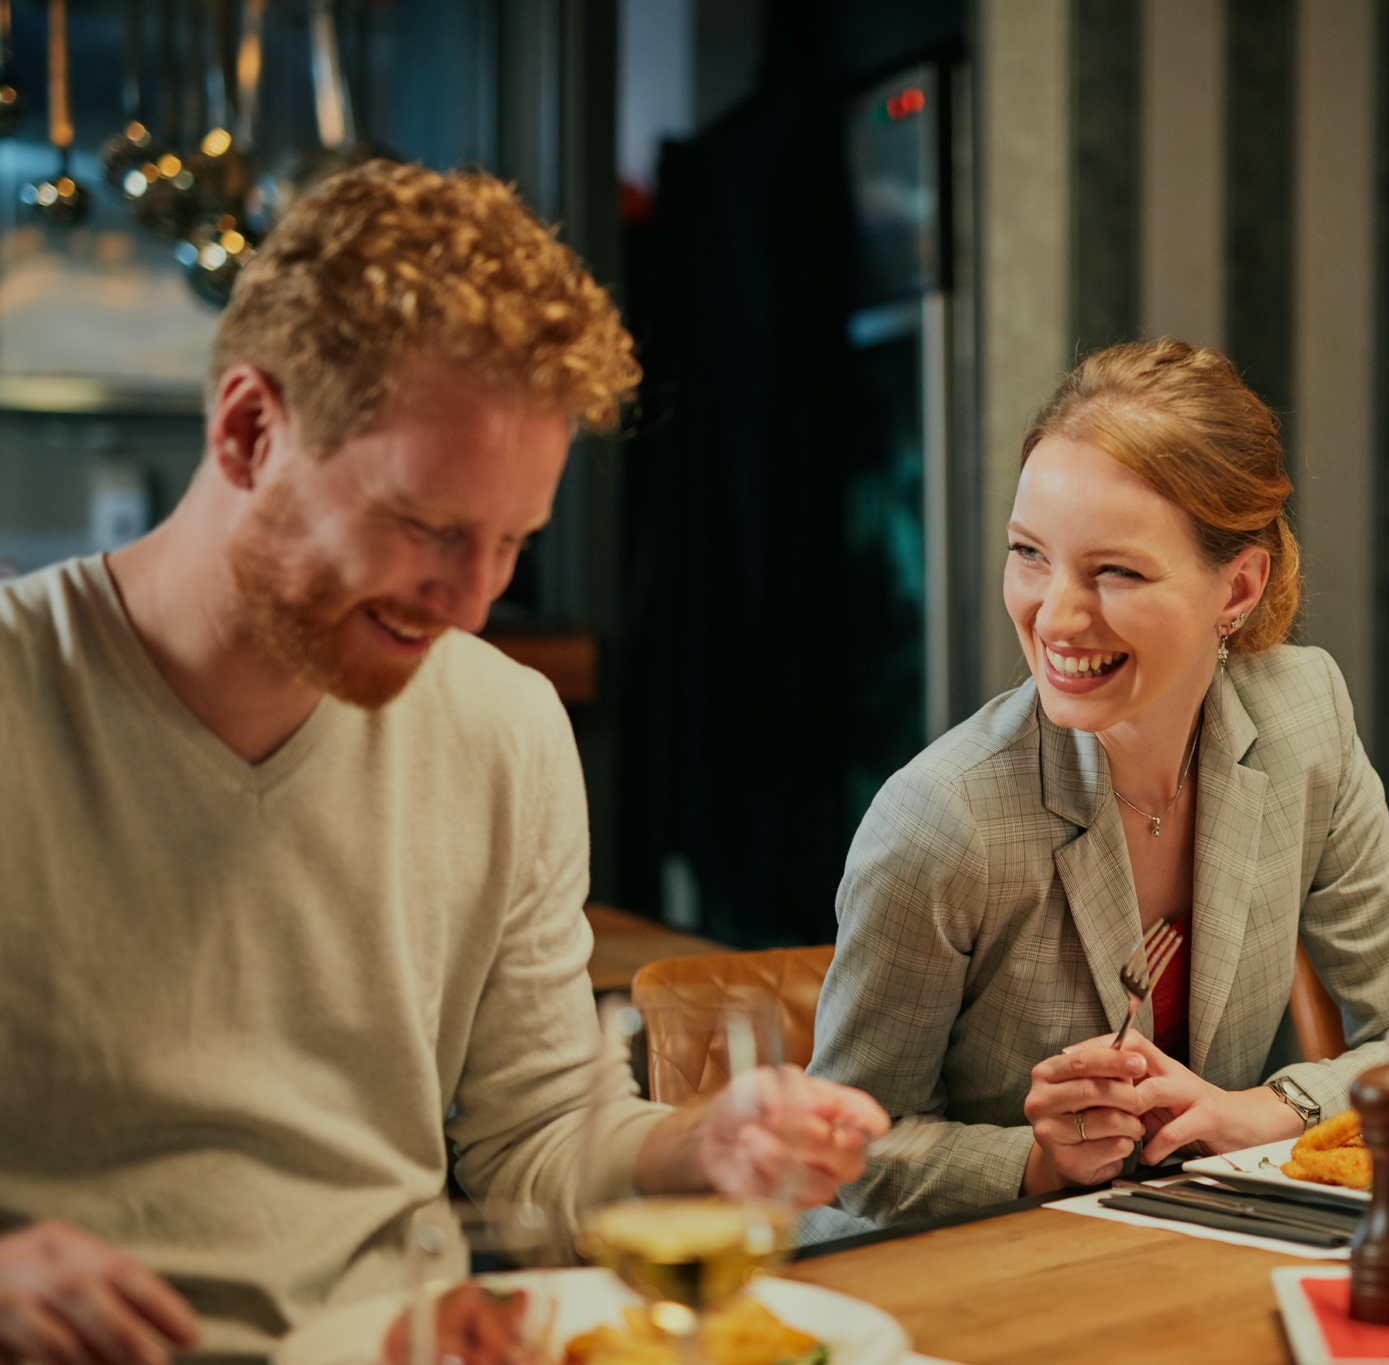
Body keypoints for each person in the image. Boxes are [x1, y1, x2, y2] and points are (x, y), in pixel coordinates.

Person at [0, 162, 886, 1365]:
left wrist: (703, 1148)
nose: (471, 604)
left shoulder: (501, 728)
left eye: (511, 542)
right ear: (250, 430)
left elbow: (539, 1138)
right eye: (427, 528)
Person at [806, 340, 1389, 1235]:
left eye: (1115, 571)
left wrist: (1272, 1110)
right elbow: (845, 1150)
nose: (1054, 613)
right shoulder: (946, 815)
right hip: (978, 1289)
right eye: (1029, 554)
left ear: (1238, 585)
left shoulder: (1302, 719)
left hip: (1201, 1259)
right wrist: (1033, 1158)